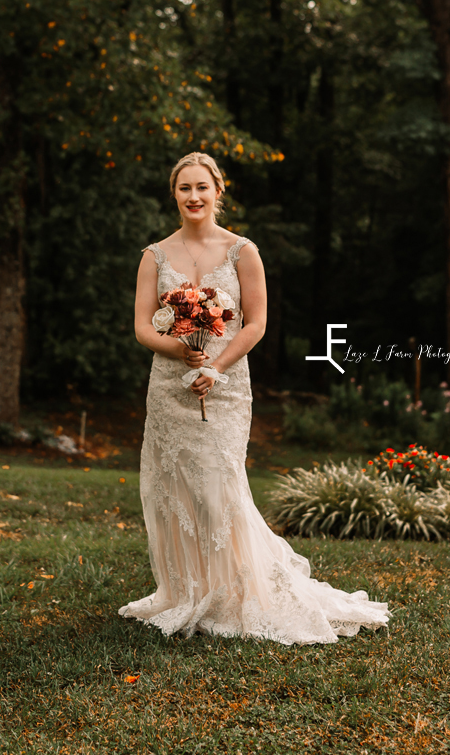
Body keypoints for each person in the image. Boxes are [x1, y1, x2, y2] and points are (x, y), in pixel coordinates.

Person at [118, 151, 390, 645]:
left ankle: (237, 593)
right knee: (175, 488)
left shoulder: (242, 250)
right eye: (184, 189)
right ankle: (188, 590)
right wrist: (178, 349)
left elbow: (257, 322)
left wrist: (216, 370)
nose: (194, 197)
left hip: (224, 386)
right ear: (174, 194)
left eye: (203, 187)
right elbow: (141, 327)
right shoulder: (154, 255)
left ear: (219, 191)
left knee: (219, 484)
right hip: (169, 385)